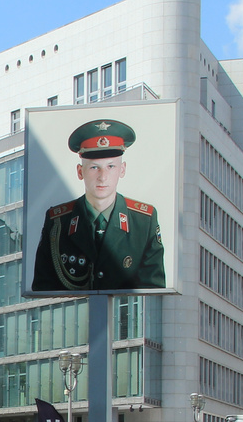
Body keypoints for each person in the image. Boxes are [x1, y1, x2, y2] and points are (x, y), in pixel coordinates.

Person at [31, 118, 166, 292]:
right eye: (94, 167)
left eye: (110, 166)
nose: (103, 177)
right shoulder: (58, 222)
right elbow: (43, 289)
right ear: (80, 172)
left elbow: (153, 293)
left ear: (122, 170)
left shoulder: (144, 221)